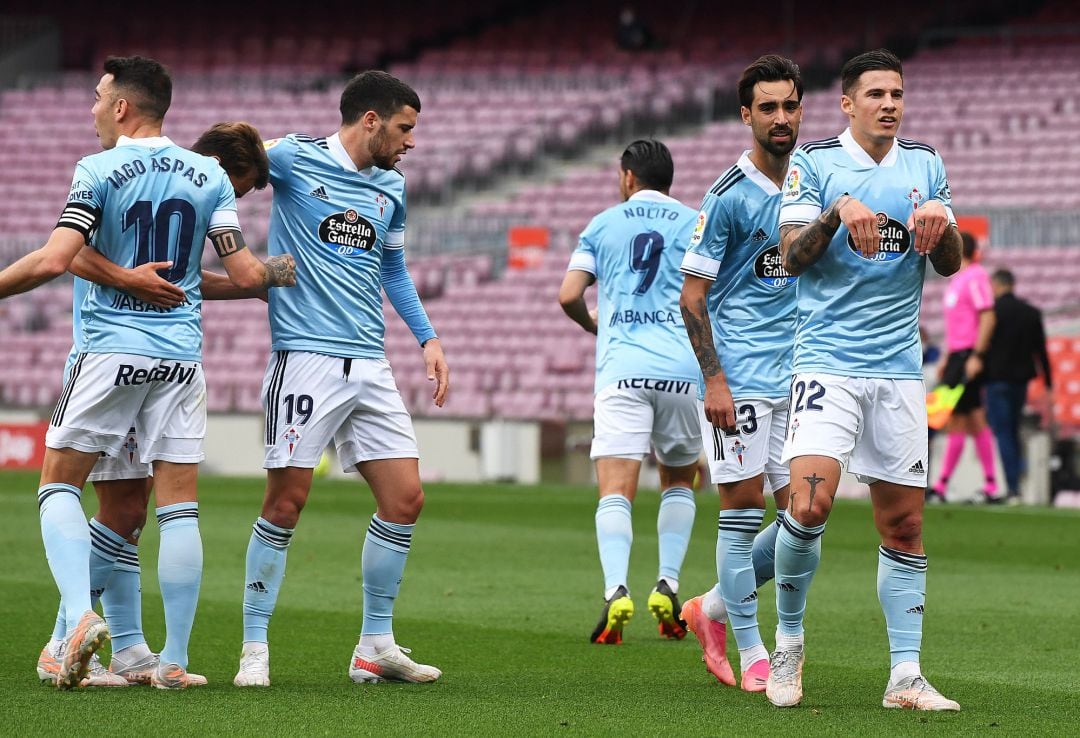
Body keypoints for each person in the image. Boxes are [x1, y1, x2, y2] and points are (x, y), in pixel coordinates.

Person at [0, 56, 295, 690]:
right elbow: (245, 274)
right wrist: (284, 272)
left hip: (109, 352)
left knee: (58, 486)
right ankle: (169, 660)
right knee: (174, 508)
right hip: (180, 361)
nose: (92, 108)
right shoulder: (208, 176)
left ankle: (78, 620)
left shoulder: (99, 169)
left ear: (123, 108)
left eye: (98, 98)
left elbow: (58, 258)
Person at [232, 71, 450, 688]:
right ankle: (254, 647)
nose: (411, 142)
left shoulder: (392, 187)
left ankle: (374, 645)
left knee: (405, 498)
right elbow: (226, 167)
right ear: (372, 120)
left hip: (370, 363)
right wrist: (238, 260)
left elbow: (394, 270)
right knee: (286, 502)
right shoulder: (295, 159)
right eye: (405, 128)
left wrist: (428, 340)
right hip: (305, 358)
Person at [770, 48, 962, 711]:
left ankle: (905, 676)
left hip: (899, 371)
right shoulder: (816, 163)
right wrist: (835, 213)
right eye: (876, 93)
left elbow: (952, 265)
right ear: (848, 103)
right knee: (809, 505)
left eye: (897, 93)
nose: (889, 103)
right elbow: (790, 259)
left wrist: (939, 234)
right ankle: (788, 643)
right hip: (826, 362)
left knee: (905, 526)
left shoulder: (925, 163)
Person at [677, 54, 803, 692]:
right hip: (742, 377)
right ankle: (753, 650)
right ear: (746, 114)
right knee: (742, 510)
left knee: (806, 515)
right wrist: (715, 380)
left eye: (790, 105)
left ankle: (711, 609)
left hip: (800, 377)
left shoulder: (809, 185)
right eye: (769, 107)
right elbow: (691, 295)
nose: (781, 118)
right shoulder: (726, 196)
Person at [559, 139, 702, 646]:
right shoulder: (695, 222)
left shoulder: (603, 224)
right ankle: (668, 583)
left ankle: (616, 589)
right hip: (684, 371)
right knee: (680, 481)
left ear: (627, 177)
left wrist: (594, 325)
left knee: (615, 489)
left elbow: (569, 295)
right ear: (669, 180)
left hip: (623, 371)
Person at [927, 232, 999, 502]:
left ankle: (943, 485)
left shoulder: (977, 276)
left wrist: (976, 355)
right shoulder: (958, 280)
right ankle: (988, 486)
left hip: (968, 356)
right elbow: (959, 323)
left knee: (951, 417)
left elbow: (988, 314)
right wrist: (948, 355)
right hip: (958, 356)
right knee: (972, 419)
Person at [983, 268, 1053, 503]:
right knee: (1012, 430)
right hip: (1020, 383)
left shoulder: (992, 312)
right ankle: (1017, 476)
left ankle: (1013, 487)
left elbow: (983, 346)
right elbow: (1041, 351)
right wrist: (1049, 384)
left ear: (998, 285)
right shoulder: (1031, 313)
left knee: (1003, 432)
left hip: (996, 381)